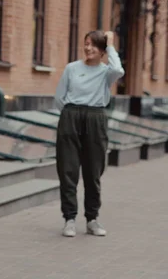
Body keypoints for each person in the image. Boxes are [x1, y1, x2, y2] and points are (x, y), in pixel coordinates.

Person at [53, 30, 125, 238]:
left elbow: (119, 70)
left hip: (96, 118)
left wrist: (110, 43)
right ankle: (69, 219)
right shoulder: (72, 69)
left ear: (102, 50)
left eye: (94, 45)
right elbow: (59, 97)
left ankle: (92, 219)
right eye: (86, 43)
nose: (88, 48)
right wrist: (70, 116)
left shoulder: (106, 72)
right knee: (68, 169)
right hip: (71, 116)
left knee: (93, 171)